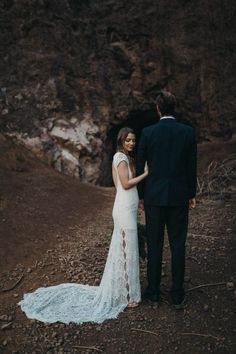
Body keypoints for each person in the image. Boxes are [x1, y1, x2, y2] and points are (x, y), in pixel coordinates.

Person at [18, 127, 148, 324]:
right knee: (126, 250)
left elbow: (126, 186)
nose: (132, 143)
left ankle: (125, 292)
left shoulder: (126, 158)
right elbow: (126, 184)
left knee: (126, 249)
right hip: (123, 209)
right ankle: (128, 296)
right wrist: (146, 174)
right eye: (128, 140)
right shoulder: (120, 158)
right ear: (121, 141)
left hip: (127, 207)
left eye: (133, 140)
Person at [137, 91, 197, 309]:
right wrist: (192, 194)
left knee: (154, 245)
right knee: (178, 245)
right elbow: (191, 167)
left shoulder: (148, 133)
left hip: (153, 197)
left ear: (158, 109)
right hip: (180, 197)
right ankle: (177, 294)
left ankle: (153, 293)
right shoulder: (187, 133)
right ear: (175, 108)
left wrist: (141, 196)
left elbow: (141, 166)